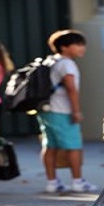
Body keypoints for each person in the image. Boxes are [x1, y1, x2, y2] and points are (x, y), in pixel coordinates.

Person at [38, 30, 97, 194]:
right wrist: (76, 111)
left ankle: (52, 182)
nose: (82, 48)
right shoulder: (67, 64)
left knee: (50, 146)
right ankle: (77, 181)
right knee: (74, 146)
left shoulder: (51, 61)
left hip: (46, 109)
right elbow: (71, 88)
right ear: (64, 47)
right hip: (62, 110)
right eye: (77, 44)